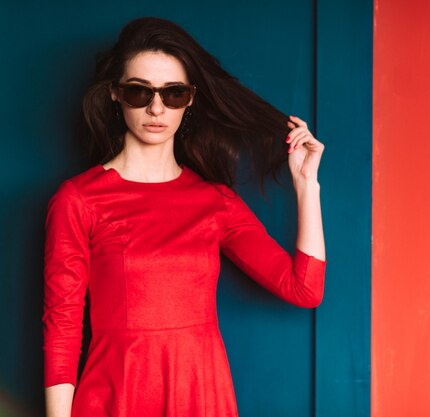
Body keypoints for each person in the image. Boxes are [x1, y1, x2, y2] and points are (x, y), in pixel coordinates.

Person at [42, 17, 326, 417]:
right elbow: (63, 328)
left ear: (190, 99)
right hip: (117, 396)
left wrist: (306, 186)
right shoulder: (79, 199)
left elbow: (305, 289)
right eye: (138, 92)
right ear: (114, 94)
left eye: (173, 93)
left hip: (201, 395)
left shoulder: (214, 201)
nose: (156, 108)